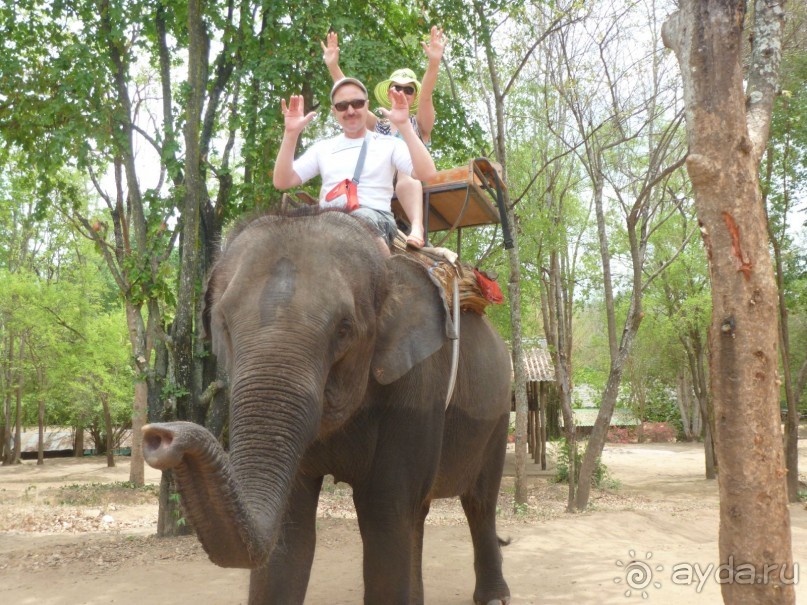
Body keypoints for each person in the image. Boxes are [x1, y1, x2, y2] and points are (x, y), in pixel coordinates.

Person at [272, 78, 437, 255]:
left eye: (357, 103)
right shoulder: (322, 148)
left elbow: (427, 173)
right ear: (334, 111)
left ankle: (386, 275)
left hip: (373, 218)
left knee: (359, 223)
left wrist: (404, 126)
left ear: (367, 105)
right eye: (342, 106)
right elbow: (282, 181)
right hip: (328, 220)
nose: (350, 110)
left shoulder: (389, 144)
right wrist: (290, 134)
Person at [321, 26, 446, 249]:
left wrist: (434, 63)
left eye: (409, 90)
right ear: (389, 92)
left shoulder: (419, 122)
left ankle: (417, 227)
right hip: (379, 181)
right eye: (398, 87)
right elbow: (351, 101)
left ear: (413, 95)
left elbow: (426, 96)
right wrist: (333, 65)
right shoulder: (379, 125)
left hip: (412, 174)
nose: (403, 93)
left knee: (406, 171)